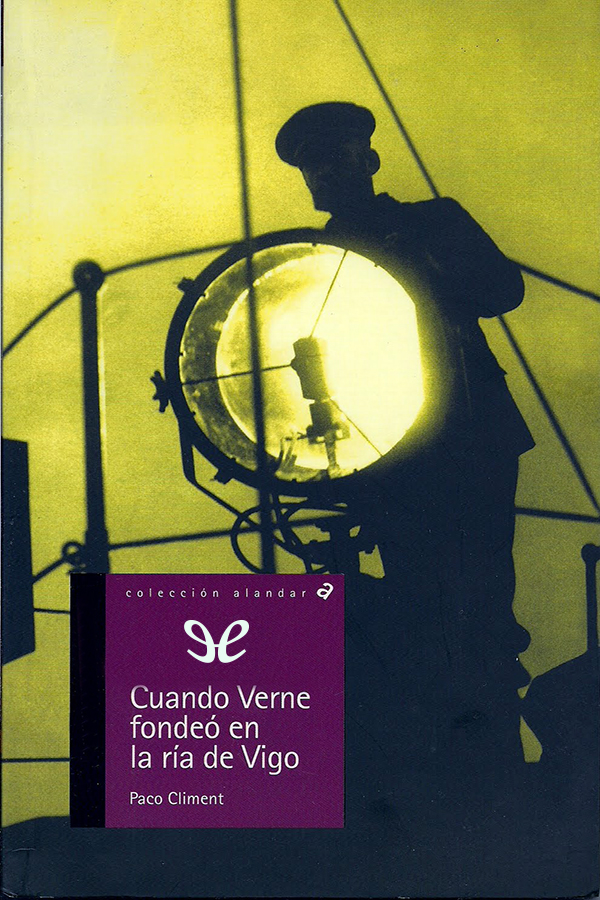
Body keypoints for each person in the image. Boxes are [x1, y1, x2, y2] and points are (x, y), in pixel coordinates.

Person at [276, 102, 534, 775]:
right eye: (312, 165)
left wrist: (421, 261)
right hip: (389, 450)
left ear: (368, 159)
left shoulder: (431, 221)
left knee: (481, 599)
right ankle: (452, 761)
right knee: (418, 603)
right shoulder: (310, 260)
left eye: (335, 156)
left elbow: (503, 289)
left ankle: (491, 759)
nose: (324, 172)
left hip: (470, 433)